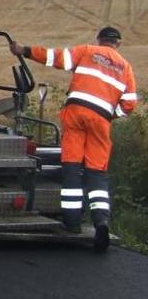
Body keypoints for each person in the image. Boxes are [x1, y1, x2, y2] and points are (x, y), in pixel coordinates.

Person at [9, 26, 138, 251]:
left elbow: (55, 57)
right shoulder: (125, 67)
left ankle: (73, 223)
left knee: (71, 167)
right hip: (101, 120)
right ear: (118, 44)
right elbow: (129, 105)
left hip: (76, 113)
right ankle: (101, 221)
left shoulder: (87, 51)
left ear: (99, 40)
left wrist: (25, 50)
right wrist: (109, 115)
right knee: (97, 172)